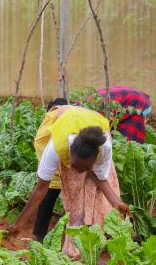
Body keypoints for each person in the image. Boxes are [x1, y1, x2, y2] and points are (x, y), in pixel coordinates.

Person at [9, 105, 129, 258]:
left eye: (86, 168)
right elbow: (40, 190)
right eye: (76, 167)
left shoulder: (103, 147)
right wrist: (19, 224)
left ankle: (91, 246)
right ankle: (58, 244)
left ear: (94, 159)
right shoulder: (56, 147)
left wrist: (116, 202)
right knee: (72, 197)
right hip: (65, 121)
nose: (79, 171)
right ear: (70, 153)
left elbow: (100, 177)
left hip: (91, 123)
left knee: (96, 195)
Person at [30, 97, 69, 241]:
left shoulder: (48, 119)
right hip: (70, 170)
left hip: (52, 174)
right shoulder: (72, 118)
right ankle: (69, 242)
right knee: (72, 208)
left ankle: (38, 238)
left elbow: (40, 145)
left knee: (46, 204)